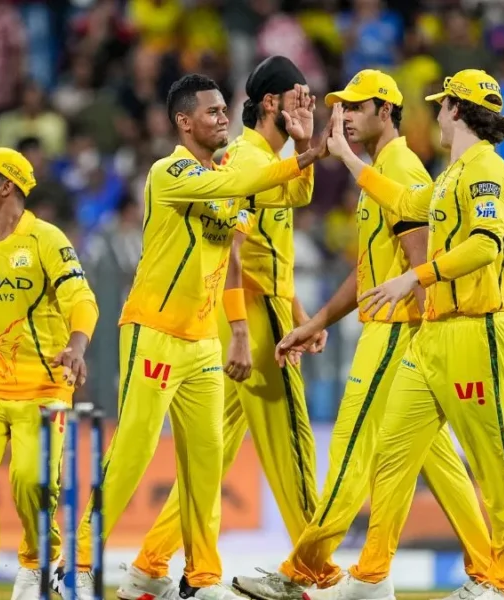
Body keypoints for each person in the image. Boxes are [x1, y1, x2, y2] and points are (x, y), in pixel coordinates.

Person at [58, 72, 326, 600]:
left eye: (225, 110)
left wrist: (241, 332)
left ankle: (201, 578)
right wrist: (310, 154)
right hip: (154, 332)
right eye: (213, 112)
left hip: (204, 341)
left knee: (205, 463)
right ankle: (78, 561)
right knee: (132, 453)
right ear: (184, 121)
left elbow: (243, 247)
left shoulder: (224, 176)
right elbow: (235, 185)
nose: (224, 118)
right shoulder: (170, 171)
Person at [231, 69, 493, 600]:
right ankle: (491, 573)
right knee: (437, 460)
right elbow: (371, 270)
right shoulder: (380, 170)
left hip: (396, 333)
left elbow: (419, 261)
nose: (344, 117)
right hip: (401, 333)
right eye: (342, 107)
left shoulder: (399, 167)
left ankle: (302, 571)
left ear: (385, 111)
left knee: (350, 450)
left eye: (355, 107)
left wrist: (423, 333)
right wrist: (315, 322)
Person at [307, 69, 504, 600]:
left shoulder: (486, 168)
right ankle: (370, 577)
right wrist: (347, 159)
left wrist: (416, 276)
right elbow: (408, 204)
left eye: (441, 105)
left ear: (457, 109)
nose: (435, 114)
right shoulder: (453, 173)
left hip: (475, 332)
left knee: (492, 464)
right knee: (392, 452)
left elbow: (484, 244)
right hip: (433, 335)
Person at [0, 147, 97, 600]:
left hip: (43, 387)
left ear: (5, 186)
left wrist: (76, 346)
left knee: (31, 482)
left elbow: (81, 298)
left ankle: (36, 564)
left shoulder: (45, 239)